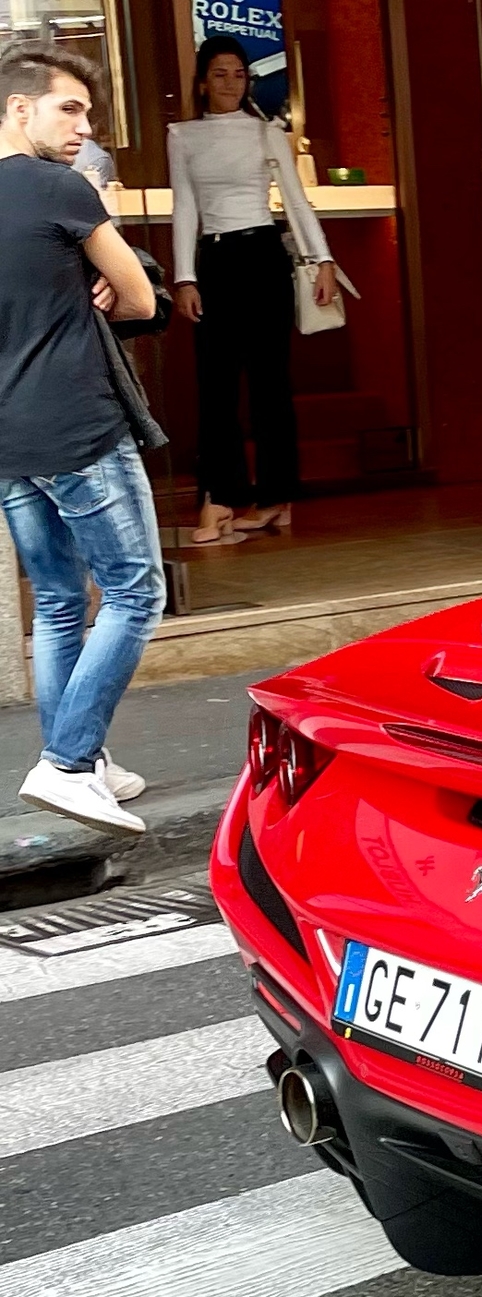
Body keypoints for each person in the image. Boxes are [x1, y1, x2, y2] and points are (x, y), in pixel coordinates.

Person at [0, 43, 165, 835]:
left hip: (8, 439)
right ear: (18, 107)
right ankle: (66, 764)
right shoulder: (62, 189)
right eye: (70, 108)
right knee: (136, 591)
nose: (83, 126)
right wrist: (104, 280)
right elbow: (138, 298)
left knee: (62, 603)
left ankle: (83, 756)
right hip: (78, 425)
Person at [168, 34, 337, 547]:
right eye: (219, 74)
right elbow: (185, 210)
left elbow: (296, 200)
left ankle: (274, 498)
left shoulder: (268, 132)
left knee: (270, 383)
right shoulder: (184, 135)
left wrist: (324, 258)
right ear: (202, 82)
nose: (230, 83)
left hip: (264, 256)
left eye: (238, 74)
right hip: (216, 259)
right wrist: (184, 276)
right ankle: (218, 497)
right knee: (216, 385)